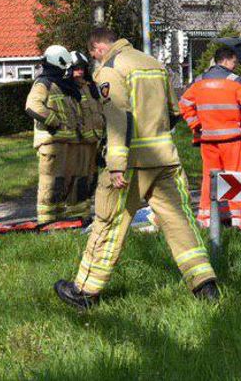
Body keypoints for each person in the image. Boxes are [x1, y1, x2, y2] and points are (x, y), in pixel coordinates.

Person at [54, 28, 218, 311]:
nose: (93, 59)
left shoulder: (111, 69)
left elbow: (118, 118)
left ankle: (85, 290)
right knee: (179, 222)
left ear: (98, 47)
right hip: (165, 158)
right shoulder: (154, 64)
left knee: (109, 222)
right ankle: (205, 284)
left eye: (93, 54)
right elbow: (173, 112)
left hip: (129, 164)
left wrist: (116, 165)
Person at [179, 46, 241, 229]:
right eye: (235, 62)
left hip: (207, 140)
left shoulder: (199, 81)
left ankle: (206, 219)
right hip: (231, 139)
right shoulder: (235, 81)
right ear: (227, 60)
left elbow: (184, 103)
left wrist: (195, 124)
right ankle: (238, 221)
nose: (235, 65)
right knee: (232, 177)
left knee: (210, 177)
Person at [25, 45, 83, 225]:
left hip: (65, 142)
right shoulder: (44, 83)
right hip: (51, 143)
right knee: (49, 186)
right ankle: (47, 222)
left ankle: (59, 221)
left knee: (62, 185)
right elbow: (33, 105)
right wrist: (54, 121)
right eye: (63, 67)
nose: (65, 71)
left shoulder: (60, 85)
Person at [68, 51, 104, 222]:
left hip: (94, 142)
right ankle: (77, 217)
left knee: (92, 180)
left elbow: (99, 111)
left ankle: (88, 215)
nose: (80, 72)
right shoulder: (67, 88)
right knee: (78, 181)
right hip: (78, 143)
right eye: (76, 68)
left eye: (82, 68)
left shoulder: (90, 87)